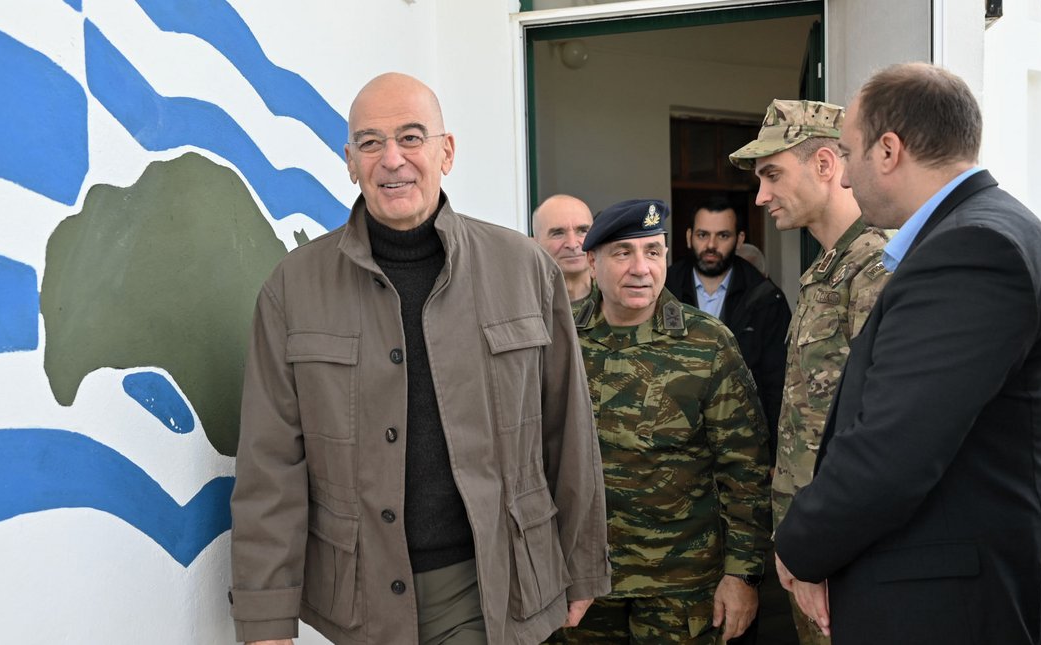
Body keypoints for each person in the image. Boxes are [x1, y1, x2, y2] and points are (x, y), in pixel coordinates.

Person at [228, 72, 610, 645]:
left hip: (491, 582)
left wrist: (582, 565)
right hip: (358, 598)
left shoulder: (524, 269)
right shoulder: (293, 289)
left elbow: (568, 431)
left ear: (446, 152)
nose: (392, 160)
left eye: (411, 137)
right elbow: (270, 464)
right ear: (350, 161)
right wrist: (266, 616)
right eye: (370, 142)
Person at [774, 62, 1041, 645]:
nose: (846, 178)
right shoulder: (983, 230)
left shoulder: (971, 247)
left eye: (848, 154)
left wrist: (800, 547)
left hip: (941, 601)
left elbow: (893, 448)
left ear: (889, 150)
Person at [560, 198, 772, 644]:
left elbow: (745, 469)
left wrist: (743, 574)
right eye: (623, 253)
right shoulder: (560, 338)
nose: (641, 268)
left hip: (683, 588)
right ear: (592, 263)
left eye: (653, 252)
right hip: (582, 582)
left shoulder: (709, 343)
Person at [728, 98, 891, 645]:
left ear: (824, 164)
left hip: (845, 553)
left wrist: (824, 548)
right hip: (811, 545)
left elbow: (878, 431)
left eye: (772, 174)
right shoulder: (827, 268)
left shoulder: (876, 265)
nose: (761, 196)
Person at [665, 198, 791, 463]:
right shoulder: (663, 290)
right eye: (703, 235)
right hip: (673, 442)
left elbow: (777, 382)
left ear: (739, 239)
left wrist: (775, 454)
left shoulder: (765, 298)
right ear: (688, 237)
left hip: (743, 445)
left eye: (723, 235)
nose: (711, 245)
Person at [532, 194, 596, 323]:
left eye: (582, 231)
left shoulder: (619, 299)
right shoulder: (522, 305)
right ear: (535, 243)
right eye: (558, 233)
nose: (572, 244)